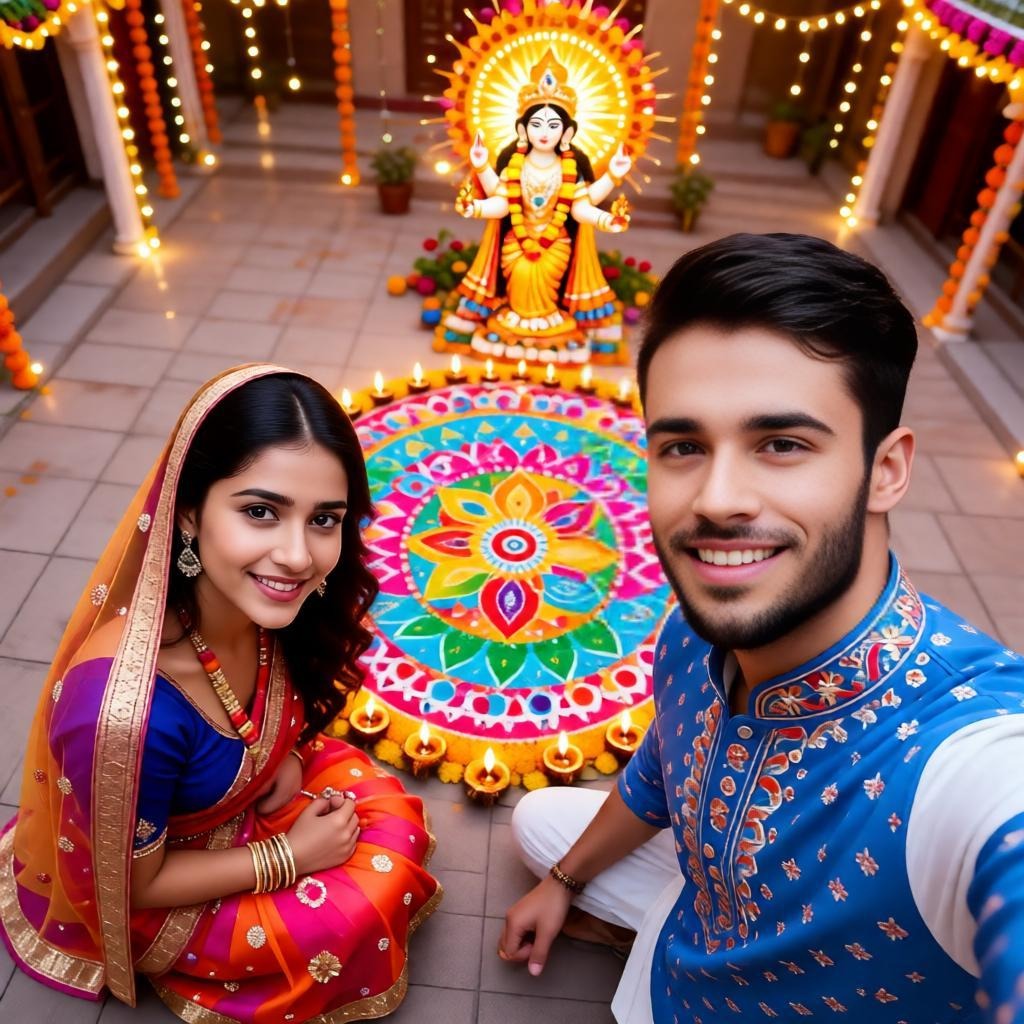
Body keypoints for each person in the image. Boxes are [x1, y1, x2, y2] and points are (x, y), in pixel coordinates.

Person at [501, 233, 1024, 1023]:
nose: (716, 499)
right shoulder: (692, 631)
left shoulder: (965, 760)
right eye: (682, 445)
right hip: (677, 956)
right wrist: (563, 883)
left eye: (780, 444)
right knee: (537, 823)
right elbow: (660, 764)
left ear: (887, 469)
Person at [0, 365, 441, 1022]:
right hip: (161, 877)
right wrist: (288, 858)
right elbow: (138, 883)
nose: (297, 556)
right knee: (350, 915)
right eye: (260, 512)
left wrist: (281, 758)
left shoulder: (257, 607)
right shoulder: (122, 714)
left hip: (243, 802)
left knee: (391, 822)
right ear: (187, 514)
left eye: (325, 519)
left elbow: (261, 715)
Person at [439, 48, 633, 364]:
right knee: (522, 267)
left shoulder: (568, 167)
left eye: (553, 125)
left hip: (557, 243)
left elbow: (581, 208)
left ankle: (546, 317)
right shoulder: (514, 163)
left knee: (541, 268)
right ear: (522, 129)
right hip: (518, 239)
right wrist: (478, 183)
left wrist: (611, 190)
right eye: (537, 124)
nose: (544, 132)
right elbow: (501, 203)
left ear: (567, 132)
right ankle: (519, 316)